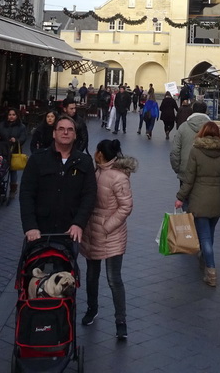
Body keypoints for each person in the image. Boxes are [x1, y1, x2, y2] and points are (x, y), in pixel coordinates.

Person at [81, 139, 137, 340]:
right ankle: (91, 308)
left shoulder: (118, 177)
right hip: (91, 232)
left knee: (114, 278)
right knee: (91, 275)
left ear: (100, 154)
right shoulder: (95, 172)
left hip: (110, 234)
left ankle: (120, 320)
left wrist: (107, 226)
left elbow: (126, 206)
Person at [20, 115, 97, 245]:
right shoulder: (37, 159)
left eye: (70, 129)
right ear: (54, 133)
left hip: (69, 231)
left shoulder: (84, 162)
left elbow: (89, 195)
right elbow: (26, 193)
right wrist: (30, 226)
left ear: (75, 135)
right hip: (40, 231)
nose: (65, 132)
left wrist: (79, 223)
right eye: (61, 129)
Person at [175, 121, 220, 287]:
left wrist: (180, 197)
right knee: (210, 234)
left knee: (204, 237)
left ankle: (211, 270)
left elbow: (189, 177)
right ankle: (205, 259)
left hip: (199, 199)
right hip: (218, 198)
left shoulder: (196, 151)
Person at [169, 101, 211, 180]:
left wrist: (178, 168)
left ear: (193, 111)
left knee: (185, 192)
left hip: (186, 170)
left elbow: (175, 151)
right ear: (205, 111)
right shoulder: (213, 129)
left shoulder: (183, 127)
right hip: (207, 173)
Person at [0, 107, 27, 200]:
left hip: (13, 151)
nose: (11, 117)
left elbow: (23, 138)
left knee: (13, 170)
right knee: (0, 169)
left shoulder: (21, 127)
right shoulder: (1, 125)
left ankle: (13, 190)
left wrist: (16, 140)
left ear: (17, 116)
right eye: (10, 115)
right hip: (2, 151)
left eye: (13, 115)